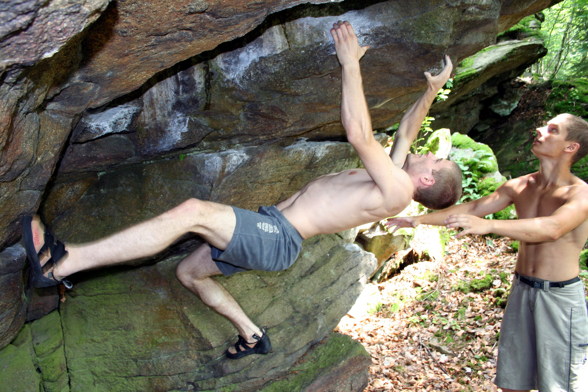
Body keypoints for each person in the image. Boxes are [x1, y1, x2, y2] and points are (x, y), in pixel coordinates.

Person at [22, 21, 461, 360]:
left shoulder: (397, 190)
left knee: (192, 211)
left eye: (435, 161)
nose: (427, 153)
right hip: (272, 227)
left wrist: (350, 63)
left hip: (279, 237)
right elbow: (408, 128)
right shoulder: (395, 174)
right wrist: (430, 91)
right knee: (188, 273)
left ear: (425, 181)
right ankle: (251, 335)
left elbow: (360, 135)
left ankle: (64, 264)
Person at [387, 113, 588, 391]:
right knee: (512, 382)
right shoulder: (520, 185)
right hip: (522, 290)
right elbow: (471, 209)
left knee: (561, 385)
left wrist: (489, 225)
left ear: (571, 147)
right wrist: (418, 219)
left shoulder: (580, 195)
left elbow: (552, 228)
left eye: (553, 130)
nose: (540, 129)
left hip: (560, 298)